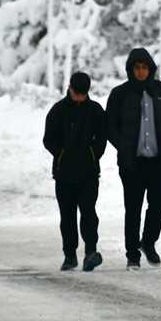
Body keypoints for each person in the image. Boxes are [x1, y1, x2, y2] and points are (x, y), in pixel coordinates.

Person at [106, 48, 161, 270]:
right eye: (136, 68)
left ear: (151, 69)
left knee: (159, 203)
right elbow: (110, 125)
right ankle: (132, 255)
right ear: (130, 70)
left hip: (157, 161)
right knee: (133, 208)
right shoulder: (120, 94)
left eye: (144, 67)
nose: (140, 71)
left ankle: (148, 242)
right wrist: (124, 145)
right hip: (132, 162)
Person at [43, 72, 107, 272]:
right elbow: (48, 139)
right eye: (77, 92)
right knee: (67, 216)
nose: (80, 96)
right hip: (64, 175)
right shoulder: (58, 111)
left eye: (83, 93)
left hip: (88, 174)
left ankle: (90, 252)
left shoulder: (95, 110)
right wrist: (62, 155)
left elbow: (102, 138)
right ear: (69, 88)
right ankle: (69, 255)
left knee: (89, 214)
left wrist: (93, 155)